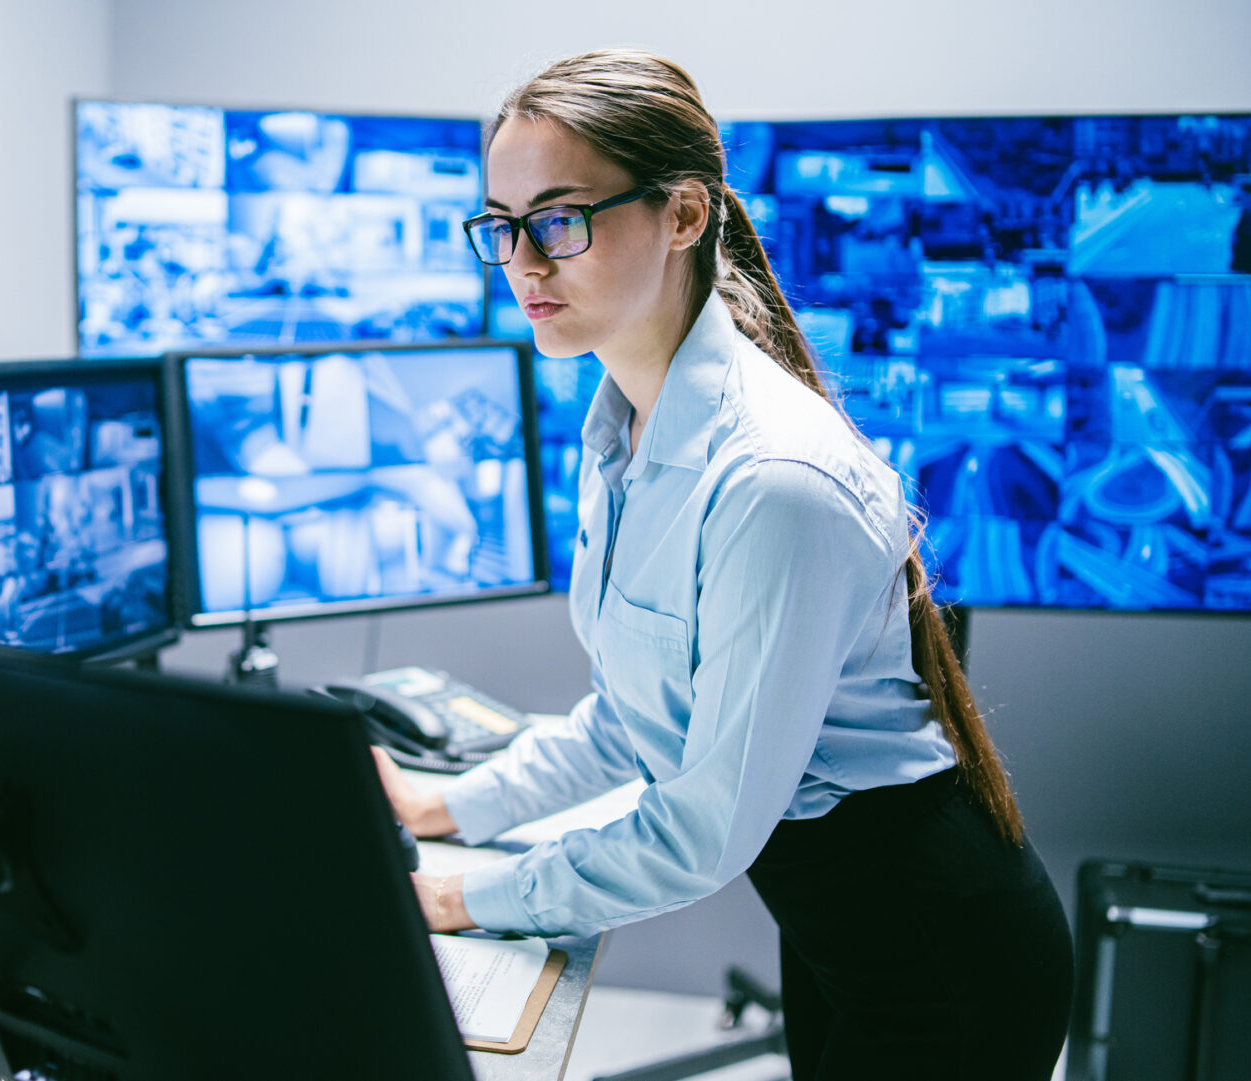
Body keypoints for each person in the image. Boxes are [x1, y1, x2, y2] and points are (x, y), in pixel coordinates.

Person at [373, 49, 1073, 1080]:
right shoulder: (621, 429)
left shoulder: (774, 480)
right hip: (837, 931)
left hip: (941, 951)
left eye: (560, 218)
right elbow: (637, 711)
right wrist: (451, 809)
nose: (523, 261)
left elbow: (703, 830)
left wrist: (465, 897)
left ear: (687, 214)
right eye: (501, 224)